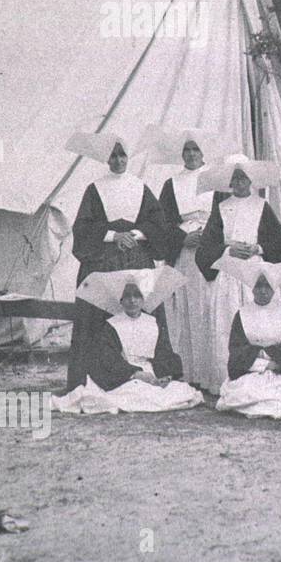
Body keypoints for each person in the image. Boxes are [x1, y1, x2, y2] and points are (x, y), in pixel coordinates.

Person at [65, 131, 168, 391]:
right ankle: (98, 377)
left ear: (128, 158)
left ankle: (143, 372)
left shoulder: (140, 187)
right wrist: (113, 235)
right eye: (114, 155)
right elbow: (83, 228)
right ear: (106, 159)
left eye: (122, 155)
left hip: (136, 255)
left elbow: (158, 223)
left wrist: (135, 233)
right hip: (103, 260)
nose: (119, 160)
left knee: (139, 310)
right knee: (98, 316)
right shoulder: (94, 189)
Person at [194, 156, 281, 393]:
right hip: (229, 271)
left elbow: (279, 241)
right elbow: (207, 246)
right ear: (229, 182)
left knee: (256, 321)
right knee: (226, 323)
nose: (239, 182)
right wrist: (228, 249)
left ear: (251, 180)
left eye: (243, 177)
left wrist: (259, 248)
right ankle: (224, 380)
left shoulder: (262, 206)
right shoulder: (222, 208)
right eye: (235, 178)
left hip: (254, 272)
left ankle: (257, 375)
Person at [54, 268, 202, 415]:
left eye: (137, 296)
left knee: (178, 390)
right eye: (128, 296)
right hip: (126, 375)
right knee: (135, 393)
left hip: (152, 373)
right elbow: (109, 358)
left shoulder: (152, 323)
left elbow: (163, 352)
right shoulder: (113, 325)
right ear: (121, 301)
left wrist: (165, 374)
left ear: (143, 299)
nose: (132, 300)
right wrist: (135, 374)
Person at [148, 128, 231, 389]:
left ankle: (211, 374)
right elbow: (162, 222)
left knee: (210, 310)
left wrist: (206, 237)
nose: (192, 154)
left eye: (196, 150)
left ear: (203, 152)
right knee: (185, 313)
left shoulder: (217, 181)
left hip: (210, 252)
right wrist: (182, 239)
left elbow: (226, 216)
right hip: (185, 253)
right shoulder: (172, 184)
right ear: (181, 154)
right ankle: (189, 373)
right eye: (187, 150)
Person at [214, 256, 281, 420]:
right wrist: (263, 364)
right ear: (252, 288)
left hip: (280, 371)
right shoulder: (242, 314)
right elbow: (236, 349)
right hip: (251, 371)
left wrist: (270, 360)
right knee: (241, 393)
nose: (263, 291)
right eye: (259, 286)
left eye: (267, 286)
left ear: (274, 288)